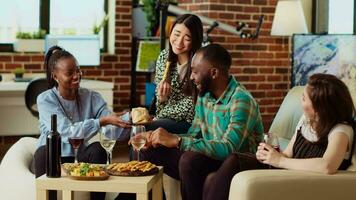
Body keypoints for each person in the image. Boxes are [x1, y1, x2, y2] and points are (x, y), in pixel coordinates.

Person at [202, 73, 355, 200]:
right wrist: (270, 155)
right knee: (211, 179)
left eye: (303, 98)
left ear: (319, 107)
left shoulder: (341, 130)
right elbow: (287, 154)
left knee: (234, 161)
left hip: (309, 183)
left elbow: (327, 166)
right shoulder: (306, 120)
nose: (300, 102)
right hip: (290, 173)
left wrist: (280, 160)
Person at [140, 43, 264, 200]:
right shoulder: (205, 95)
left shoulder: (241, 101)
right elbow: (194, 134)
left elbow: (230, 148)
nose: (191, 77)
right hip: (209, 159)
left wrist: (177, 141)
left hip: (234, 165)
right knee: (147, 150)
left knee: (189, 160)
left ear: (213, 73)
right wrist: (158, 139)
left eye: (195, 72)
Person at [33, 46, 131, 200]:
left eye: (77, 70)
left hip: (79, 155)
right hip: (54, 156)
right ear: (55, 76)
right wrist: (101, 121)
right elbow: (66, 132)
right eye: (69, 73)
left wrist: (129, 120)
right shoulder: (45, 99)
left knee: (98, 149)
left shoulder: (91, 97)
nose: (77, 76)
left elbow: (111, 128)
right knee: (43, 152)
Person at [146, 13, 203, 134]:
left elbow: (193, 106)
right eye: (176, 34)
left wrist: (159, 116)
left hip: (190, 122)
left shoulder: (200, 63)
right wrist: (162, 97)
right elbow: (159, 101)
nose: (179, 42)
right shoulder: (164, 57)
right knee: (139, 129)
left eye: (187, 39)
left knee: (146, 129)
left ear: (195, 40)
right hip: (165, 117)